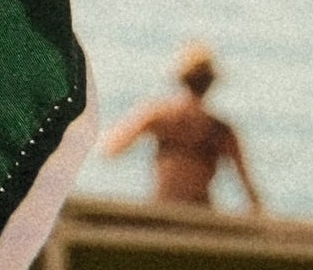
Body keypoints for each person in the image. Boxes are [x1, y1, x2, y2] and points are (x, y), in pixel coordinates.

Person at [101, 46, 262, 211]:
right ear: (211, 83)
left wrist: (144, 115)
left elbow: (112, 148)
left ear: (181, 78)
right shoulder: (221, 130)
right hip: (201, 213)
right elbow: (249, 190)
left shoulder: (160, 115)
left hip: (162, 209)